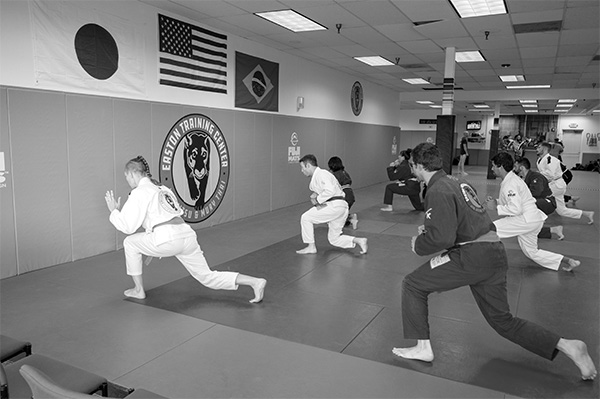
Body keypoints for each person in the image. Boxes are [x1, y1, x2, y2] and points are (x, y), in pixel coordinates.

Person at [391, 142, 596, 381]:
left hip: (471, 257)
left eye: (412, 168)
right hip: (494, 253)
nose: (412, 172)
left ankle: (422, 347)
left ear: (417, 165)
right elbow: (461, 221)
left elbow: (442, 237)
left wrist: (419, 243)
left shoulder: (437, 189)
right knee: (503, 321)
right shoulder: (459, 182)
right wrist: (432, 228)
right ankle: (566, 345)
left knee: (413, 284)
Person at [105, 156, 266, 303]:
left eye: (127, 177)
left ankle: (139, 290)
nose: (127, 181)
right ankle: (254, 282)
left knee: (130, 242)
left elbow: (127, 226)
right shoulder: (163, 189)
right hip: (186, 235)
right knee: (207, 276)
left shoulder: (139, 192)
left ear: (133, 174)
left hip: (167, 238)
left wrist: (114, 211)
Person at [487, 152, 579, 272]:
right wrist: (497, 201)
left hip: (525, 219)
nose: (492, 168)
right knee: (532, 252)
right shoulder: (512, 179)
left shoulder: (510, 183)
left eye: (494, 165)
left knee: (488, 230)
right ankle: (568, 260)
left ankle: (468, 258)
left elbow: (516, 208)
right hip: (533, 219)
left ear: (501, 166)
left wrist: (496, 207)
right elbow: (515, 201)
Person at [296, 154, 367, 255]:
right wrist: (316, 195)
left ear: (308, 166)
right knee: (334, 239)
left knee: (306, 217)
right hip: (340, 207)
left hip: (335, 205)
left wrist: (318, 199)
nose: (302, 170)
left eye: (302, 167)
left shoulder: (322, 174)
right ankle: (359, 240)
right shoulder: (320, 176)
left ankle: (311, 247)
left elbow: (330, 190)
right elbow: (326, 189)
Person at [536, 143, 594, 224]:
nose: (537, 149)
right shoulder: (540, 160)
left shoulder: (551, 160)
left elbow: (550, 175)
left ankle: (538, 218)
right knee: (562, 211)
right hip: (553, 185)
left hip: (556, 185)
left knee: (536, 196)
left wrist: (537, 175)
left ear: (545, 149)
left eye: (539, 147)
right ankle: (587, 214)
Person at [514, 157, 564, 240]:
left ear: (521, 168)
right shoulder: (525, 178)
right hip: (539, 201)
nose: (514, 169)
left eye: (515, 166)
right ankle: (553, 230)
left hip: (548, 202)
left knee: (525, 206)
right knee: (526, 230)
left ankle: (537, 222)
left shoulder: (535, 177)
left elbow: (536, 192)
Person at [328, 156, 358, 229]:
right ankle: (350, 217)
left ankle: (351, 219)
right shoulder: (344, 172)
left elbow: (333, 185)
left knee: (338, 213)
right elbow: (350, 181)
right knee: (343, 212)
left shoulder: (335, 175)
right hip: (350, 195)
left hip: (344, 196)